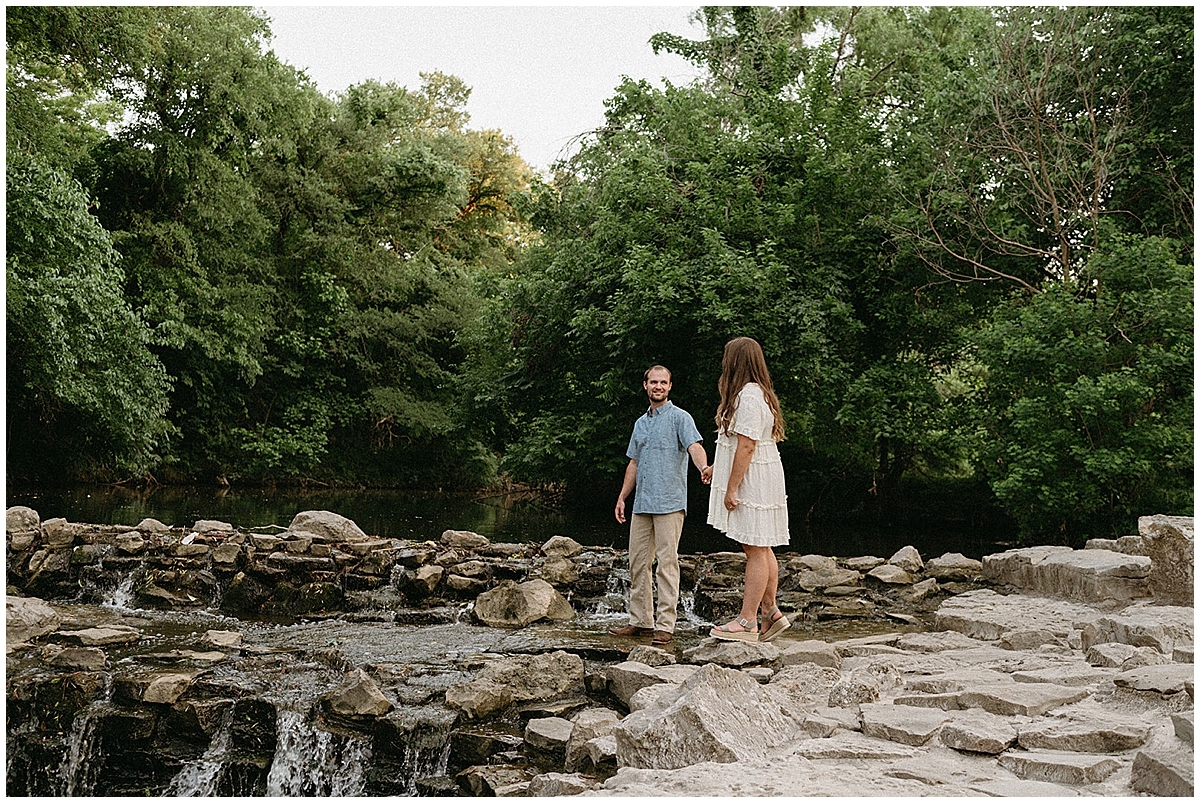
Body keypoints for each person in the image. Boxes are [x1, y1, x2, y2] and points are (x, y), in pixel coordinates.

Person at [610, 364, 710, 646]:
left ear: (670, 386)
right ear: (645, 385)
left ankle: (665, 625)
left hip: (670, 502)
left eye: (663, 382)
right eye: (654, 382)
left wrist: (703, 467)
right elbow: (633, 462)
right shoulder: (640, 423)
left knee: (667, 564)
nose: (658, 386)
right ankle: (641, 621)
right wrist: (622, 497)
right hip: (642, 504)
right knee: (637, 564)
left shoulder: (681, 418)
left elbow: (695, 446)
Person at [705, 337, 791, 642]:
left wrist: (731, 488)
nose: (724, 364)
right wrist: (717, 469)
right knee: (762, 545)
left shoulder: (749, 397)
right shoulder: (758, 394)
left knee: (755, 548)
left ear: (737, 362)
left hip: (754, 478)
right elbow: (737, 444)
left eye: (727, 358)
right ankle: (771, 612)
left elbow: (747, 446)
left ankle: (747, 621)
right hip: (761, 472)